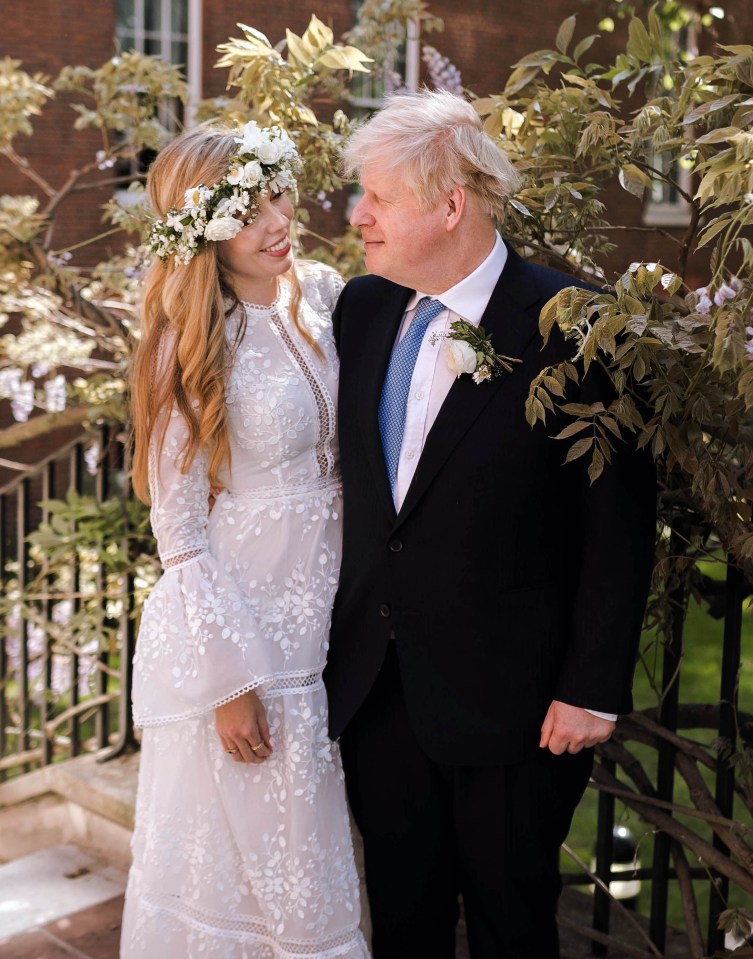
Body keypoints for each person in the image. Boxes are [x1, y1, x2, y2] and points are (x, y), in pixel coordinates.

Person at [323, 89, 656, 959]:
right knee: (402, 920)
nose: (358, 217)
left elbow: (617, 522)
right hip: (378, 691)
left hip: (518, 706)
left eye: (377, 198)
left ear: (449, 205)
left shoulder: (577, 327)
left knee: (512, 923)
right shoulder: (360, 311)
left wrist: (591, 686)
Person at [121, 121, 369, 959]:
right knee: (260, 863)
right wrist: (229, 680)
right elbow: (181, 530)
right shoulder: (189, 343)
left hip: (340, 607)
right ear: (201, 231)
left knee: (322, 849)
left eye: (277, 192)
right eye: (246, 209)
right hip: (251, 633)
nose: (276, 219)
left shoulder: (328, 293)